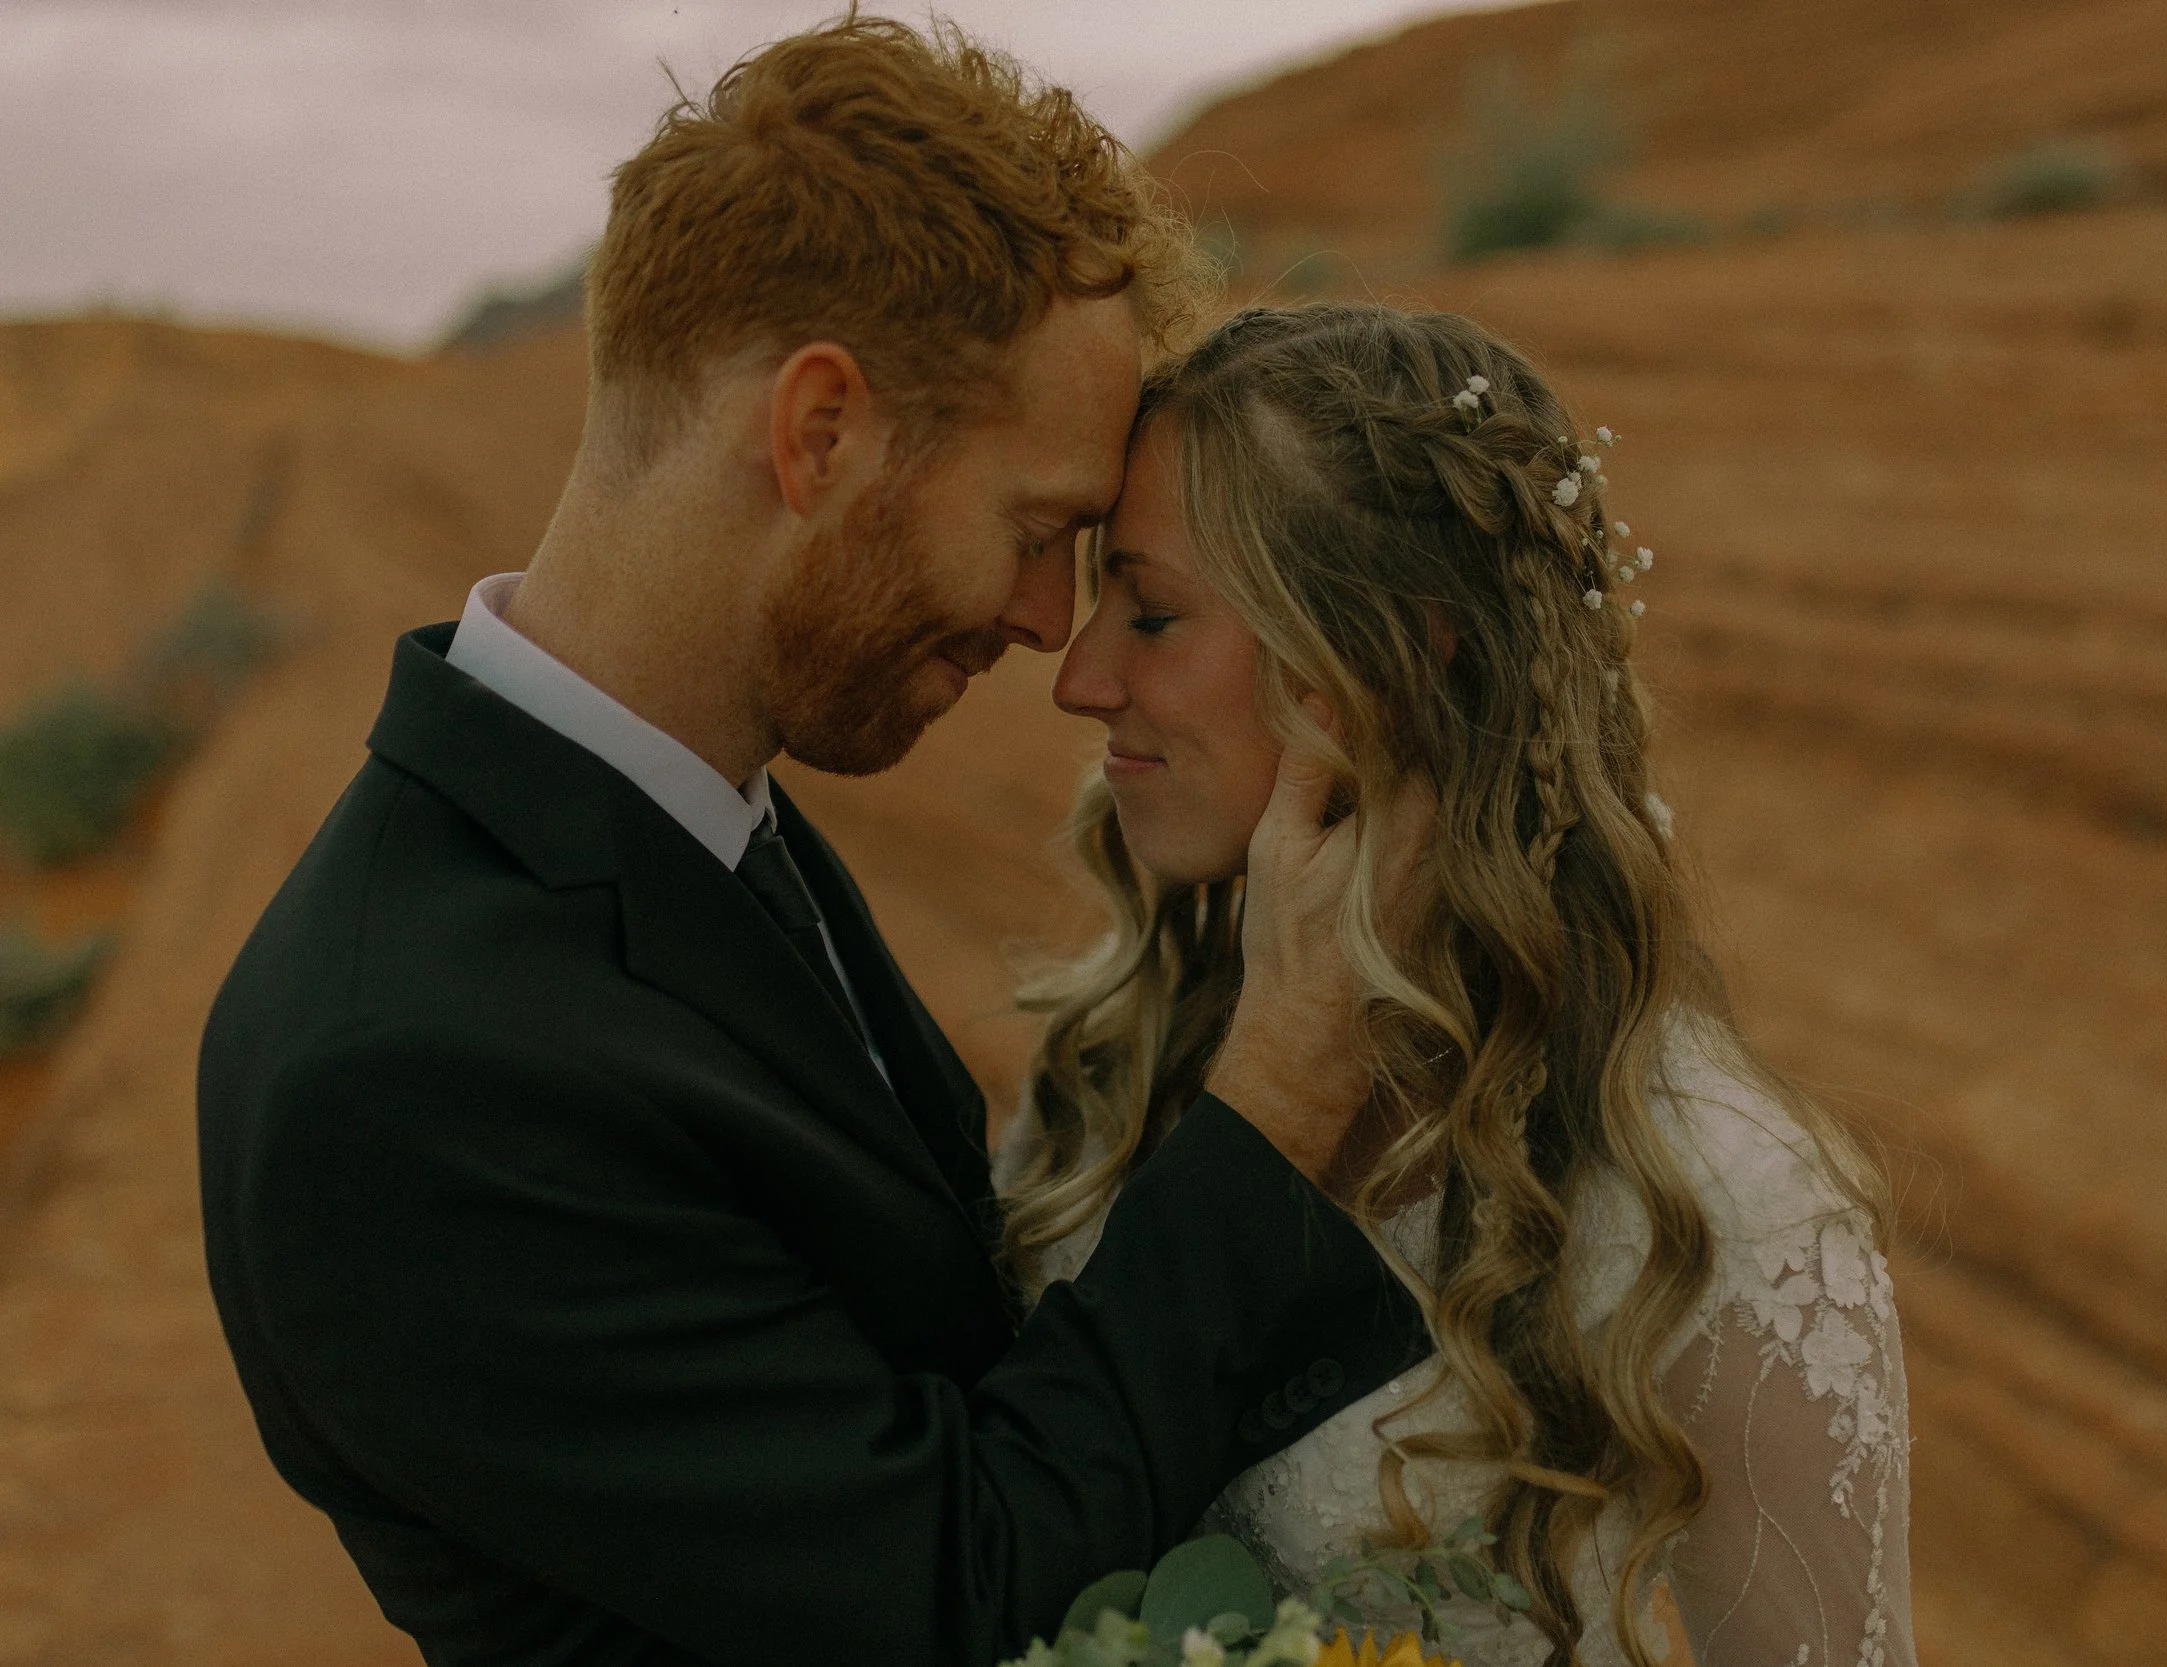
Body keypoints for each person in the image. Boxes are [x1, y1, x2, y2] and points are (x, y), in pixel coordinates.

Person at [195, 23, 1431, 1667]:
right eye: (1036, 527)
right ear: (821, 430)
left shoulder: (696, 821)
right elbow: (947, 1592)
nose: (1047, 622)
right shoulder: (401, 1071)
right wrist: (1275, 1088)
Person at [1000, 303, 1917, 1667]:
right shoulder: (1113, 1073)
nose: (1080, 679)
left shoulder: (1720, 1207)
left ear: (1391, 657)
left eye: (1150, 612)